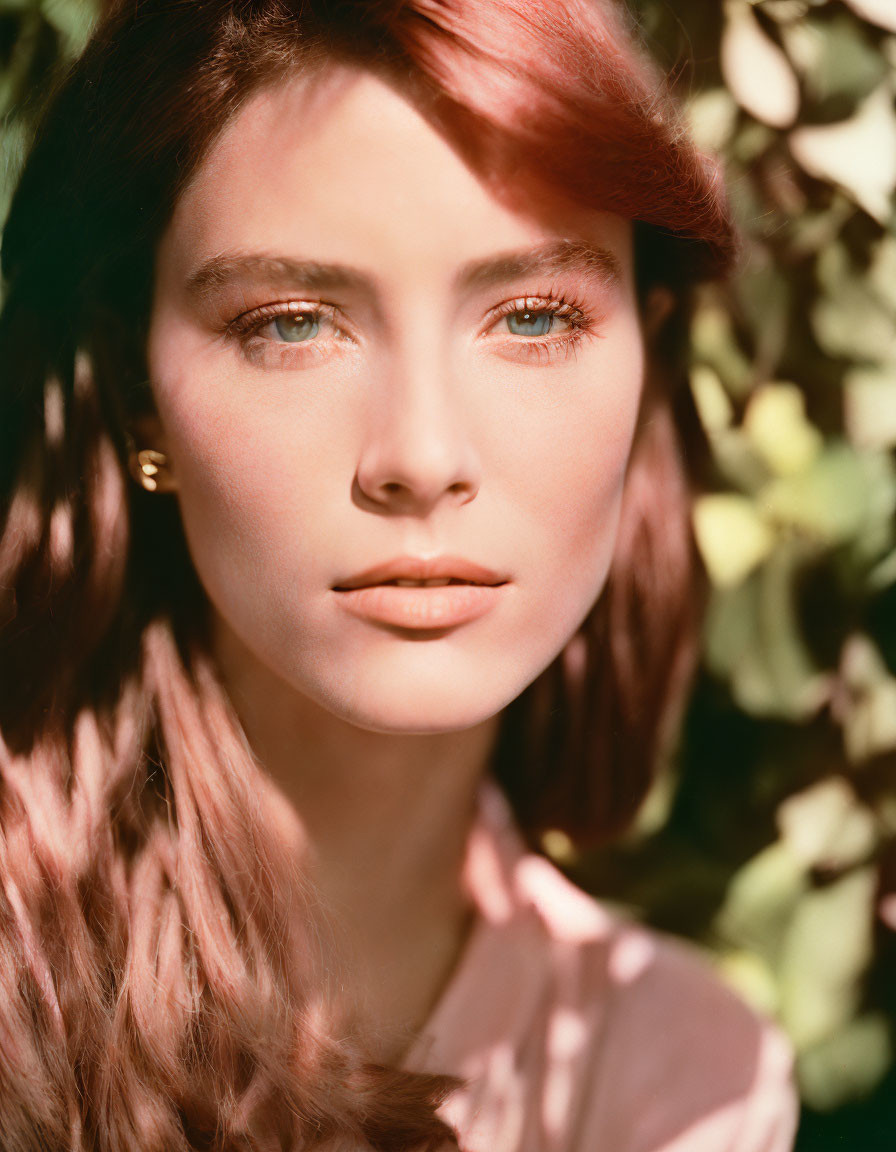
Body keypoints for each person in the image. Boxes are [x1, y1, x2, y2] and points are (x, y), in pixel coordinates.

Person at [0, 0, 798, 1149]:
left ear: (644, 357)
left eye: (531, 316)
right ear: (137, 390)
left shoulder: (684, 1085)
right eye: (289, 324)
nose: (420, 458)